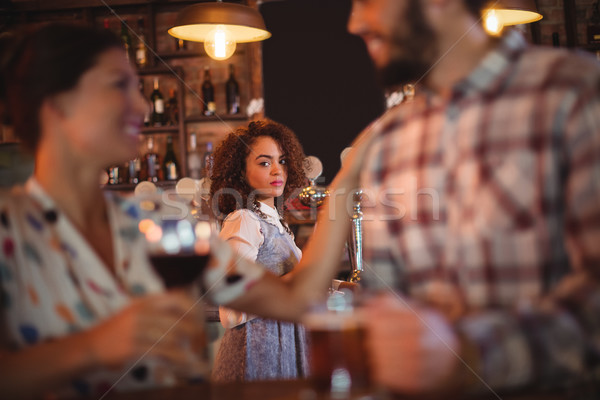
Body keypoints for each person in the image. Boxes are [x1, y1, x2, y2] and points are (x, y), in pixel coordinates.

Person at [0, 23, 365, 398]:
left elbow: (294, 299)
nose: (141, 106)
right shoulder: (8, 231)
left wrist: (343, 186)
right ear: (58, 105)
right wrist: (95, 347)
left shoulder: (155, 224)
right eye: (118, 86)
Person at [339, 0, 600, 396]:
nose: (354, 23)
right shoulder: (388, 142)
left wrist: (471, 355)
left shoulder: (576, 92)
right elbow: (387, 301)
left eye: (368, 1)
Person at [209, 119, 308, 382]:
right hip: (256, 354)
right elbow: (230, 310)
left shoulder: (274, 220)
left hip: (285, 346)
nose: (277, 170)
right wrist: (296, 284)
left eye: (282, 161)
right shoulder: (244, 219)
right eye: (265, 163)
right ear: (241, 173)